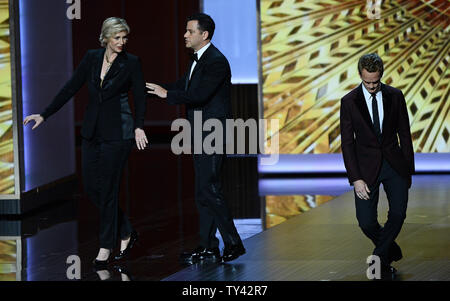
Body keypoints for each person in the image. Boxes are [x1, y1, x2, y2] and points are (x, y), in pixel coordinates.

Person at [23, 17, 148, 267]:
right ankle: (125, 230)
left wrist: (138, 127)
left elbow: (140, 97)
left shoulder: (131, 62)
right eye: (117, 38)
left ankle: (105, 246)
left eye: (125, 38)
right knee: (92, 187)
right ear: (105, 38)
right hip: (92, 132)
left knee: (110, 189)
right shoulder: (92, 57)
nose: (122, 42)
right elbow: (70, 87)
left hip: (119, 133)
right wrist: (44, 113)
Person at [146, 13, 245, 263]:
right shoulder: (199, 60)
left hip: (213, 131)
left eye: (190, 31)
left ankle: (233, 243)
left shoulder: (216, 61)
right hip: (200, 131)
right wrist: (154, 91)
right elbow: (184, 85)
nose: (185, 35)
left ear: (204, 35)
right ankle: (208, 245)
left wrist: (166, 93)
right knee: (203, 190)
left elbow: (199, 95)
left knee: (210, 188)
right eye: (186, 31)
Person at [340, 53, 415, 279]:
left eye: (375, 81)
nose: (372, 86)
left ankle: (379, 257)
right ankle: (390, 250)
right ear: (360, 76)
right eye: (367, 82)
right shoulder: (349, 102)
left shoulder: (395, 96)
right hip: (365, 170)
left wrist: (408, 170)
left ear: (381, 75)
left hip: (395, 165)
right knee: (366, 222)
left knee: (398, 214)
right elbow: (347, 143)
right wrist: (356, 178)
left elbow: (405, 134)